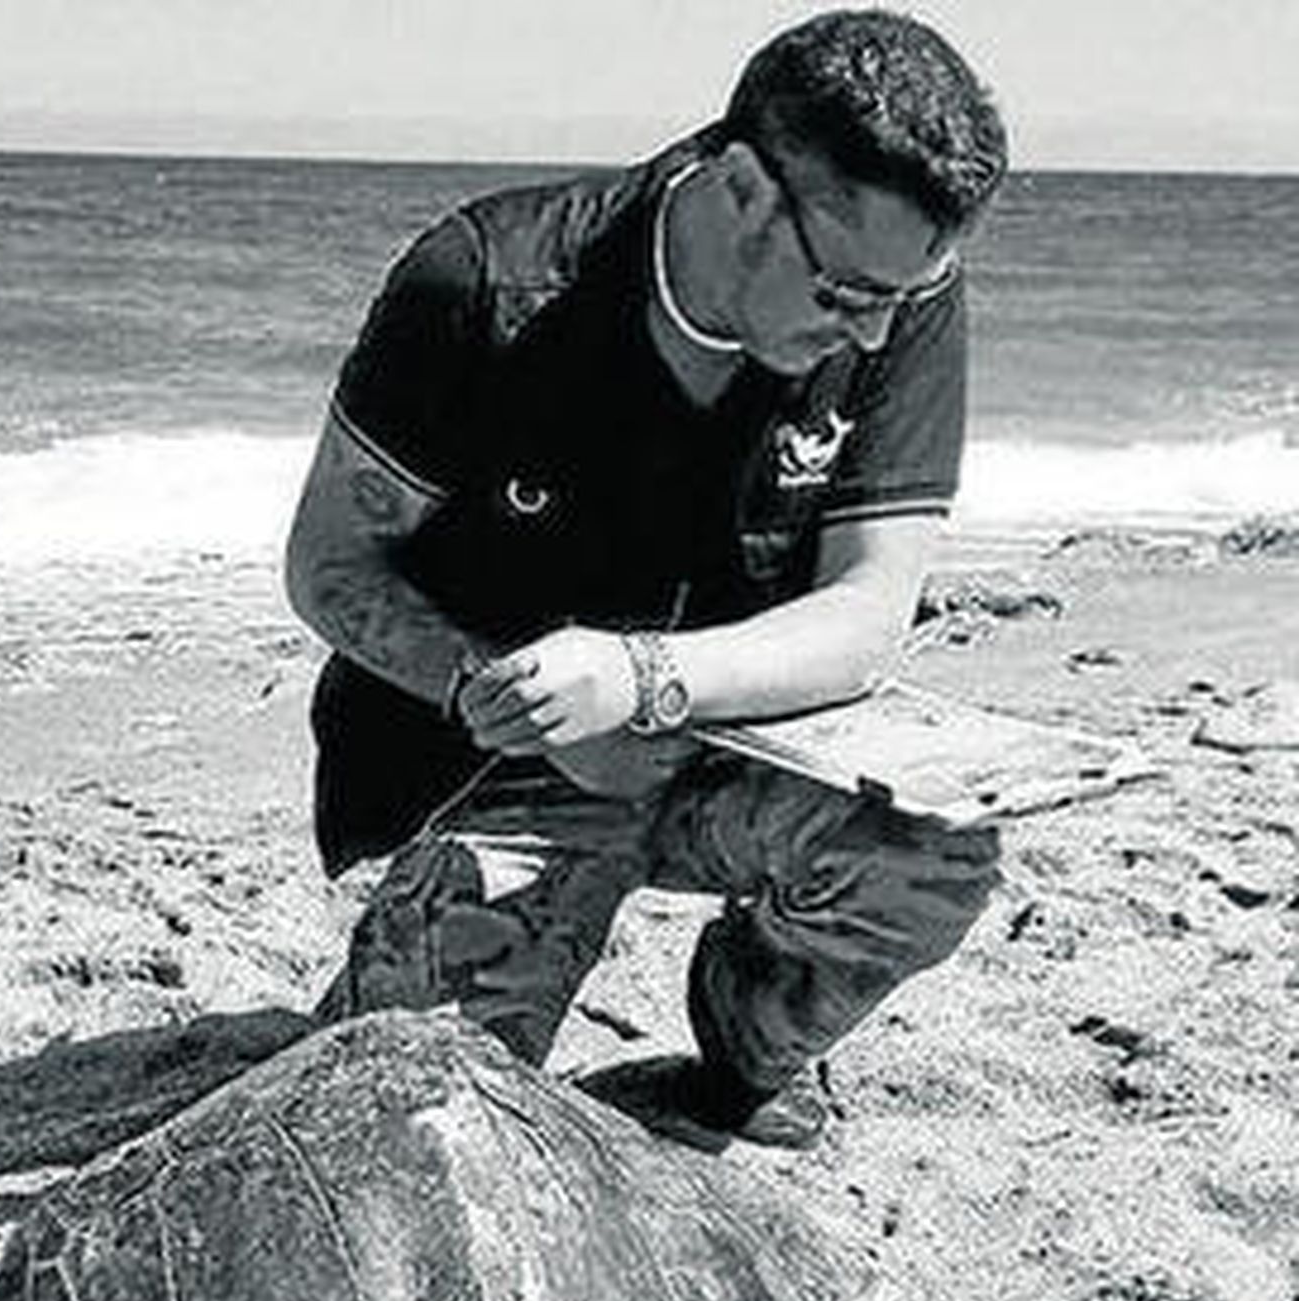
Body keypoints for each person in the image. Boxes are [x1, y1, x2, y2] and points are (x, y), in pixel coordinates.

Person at [284, 7, 1009, 1147]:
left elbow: (867, 615)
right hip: (488, 763)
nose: (871, 338)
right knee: (407, 1113)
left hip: (726, 737)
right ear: (737, 192)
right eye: (844, 296)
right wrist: (512, 698)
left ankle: (735, 1057)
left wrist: (643, 679)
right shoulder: (488, 284)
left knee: (934, 856)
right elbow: (328, 568)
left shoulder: (896, 286)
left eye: (899, 299)